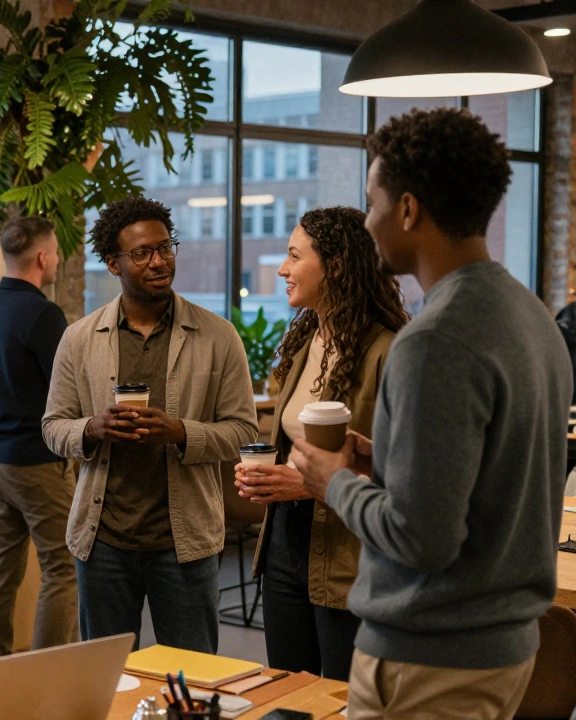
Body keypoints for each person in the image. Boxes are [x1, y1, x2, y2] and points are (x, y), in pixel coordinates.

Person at [291, 108, 571, 719]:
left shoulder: (433, 339)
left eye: (372, 203)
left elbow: (424, 539)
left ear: (409, 210)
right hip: (502, 647)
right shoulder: (531, 317)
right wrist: (381, 463)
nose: (367, 221)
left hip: (430, 659)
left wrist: (331, 483)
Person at [41, 196, 257, 653]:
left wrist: (181, 433)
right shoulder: (79, 339)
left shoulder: (217, 336)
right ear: (113, 264)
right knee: (106, 679)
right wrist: (92, 429)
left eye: (166, 248)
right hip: (102, 542)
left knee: (193, 677)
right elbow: (53, 427)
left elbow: (243, 431)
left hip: (185, 543)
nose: (159, 262)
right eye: (142, 253)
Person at [233, 206, 408, 681]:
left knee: (338, 698)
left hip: (350, 553)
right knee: (290, 691)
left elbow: (409, 476)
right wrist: (269, 477)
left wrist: (308, 484)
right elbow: (296, 449)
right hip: (286, 547)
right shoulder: (305, 339)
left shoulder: (389, 352)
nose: (282, 269)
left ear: (334, 266)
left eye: (294, 256)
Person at [0, 215, 76, 656]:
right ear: (43, 257)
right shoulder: (44, 314)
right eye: (57, 256)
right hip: (36, 461)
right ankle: (48, 674)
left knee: (2, 565)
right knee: (62, 567)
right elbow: (67, 390)